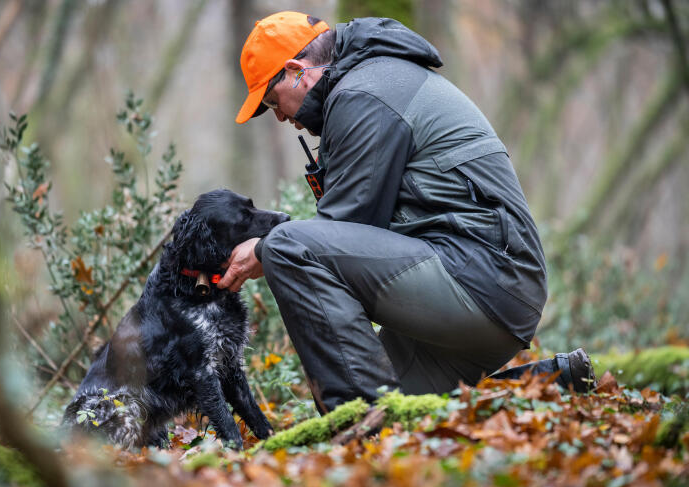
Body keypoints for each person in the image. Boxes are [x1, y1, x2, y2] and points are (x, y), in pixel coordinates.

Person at [217, 11, 595, 412]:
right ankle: (557, 383)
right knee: (399, 409)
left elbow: (340, 231)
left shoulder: (363, 94)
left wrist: (261, 250)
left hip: (480, 282)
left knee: (288, 249)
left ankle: (358, 435)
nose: (280, 116)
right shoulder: (374, 80)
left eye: (274, 101)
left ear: (296, 71)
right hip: (495, 291)